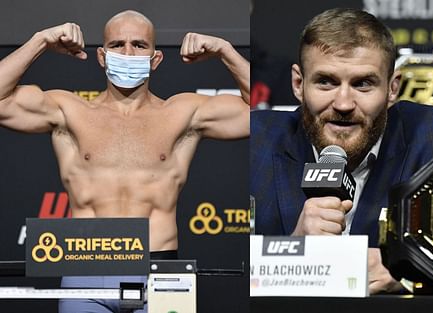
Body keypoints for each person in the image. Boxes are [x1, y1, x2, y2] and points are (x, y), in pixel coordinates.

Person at [0, 10, 249, 312]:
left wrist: (225, 49)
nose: (128, 53)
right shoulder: (69, 111)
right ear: (102, 56)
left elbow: (255, 114)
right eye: (117, 45)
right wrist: (40, 40)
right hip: (86, 267)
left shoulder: (182, 113)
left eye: (139, 45)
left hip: (159, 269)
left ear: (155, 59)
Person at [250, 8, 433, 294]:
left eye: (363, 84)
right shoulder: (255, 143)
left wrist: (415, 271)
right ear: (298, 84)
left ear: (393, 89)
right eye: (326, 81)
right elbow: (218, 266)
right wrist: (291, 252)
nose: (344, 103)